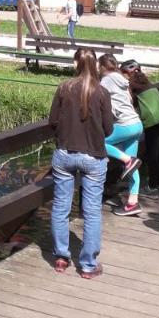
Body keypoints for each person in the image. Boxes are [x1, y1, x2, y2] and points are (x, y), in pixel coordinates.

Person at [48, 48, 114, 279]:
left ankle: (61, 256)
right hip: (93, 156)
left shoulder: (64, 88)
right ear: (95, 64)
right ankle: (87, 265)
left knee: (60, 207)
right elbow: (108, 128)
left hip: (65, 153)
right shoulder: (102, 92)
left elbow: (52, 121)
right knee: (92, 211)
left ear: (76, 63)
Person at [98, 54, 143, 215]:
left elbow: (99, 102)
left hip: (125, 125)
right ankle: (133, 202)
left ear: (101, 67)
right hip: (136, 124)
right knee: (132, 166)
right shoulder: (121, 79)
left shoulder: (106, 80)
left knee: (98, 143)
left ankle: (126, 159)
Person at [123, 60, 159, 199]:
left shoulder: (131, 85)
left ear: (127, 73)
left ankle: (151, 186)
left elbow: (129, 101)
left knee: (153, 154)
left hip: (153, 121)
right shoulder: (146, 81)